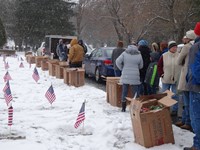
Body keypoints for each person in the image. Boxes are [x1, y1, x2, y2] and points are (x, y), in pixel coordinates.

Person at [175, 30, 196, 132]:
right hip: (194, 76)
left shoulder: (187, 47)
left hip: (186, 75)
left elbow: (178, 61)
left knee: (186, 100)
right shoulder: (196, 45)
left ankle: (187, 121)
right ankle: (185, 120)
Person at [184, 22, 200, 150]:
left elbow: (195, 69)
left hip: (197, 88)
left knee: (196, 118)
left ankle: (198, 144)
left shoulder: (195, 47)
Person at [116, 45, 143, 112]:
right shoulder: (139, 55)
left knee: (124, 91)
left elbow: (117, 61)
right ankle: (135, 107)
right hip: (135, 75)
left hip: (126, 75)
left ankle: (123, 107)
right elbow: (141, 65)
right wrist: (136, 68)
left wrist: (122, 68)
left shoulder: (124, 53)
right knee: (135, 93)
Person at [157, 40, 181, 116]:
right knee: (165, 94)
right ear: (170, 48)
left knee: (175, 95)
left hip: (176, 78)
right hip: (166, 78)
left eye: (175, 47)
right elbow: (159, 66)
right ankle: (165, 108)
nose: (175, 48)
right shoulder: (164, 56)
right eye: (173, 47)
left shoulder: (179, 55)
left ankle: (175, 110)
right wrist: (162, 74)